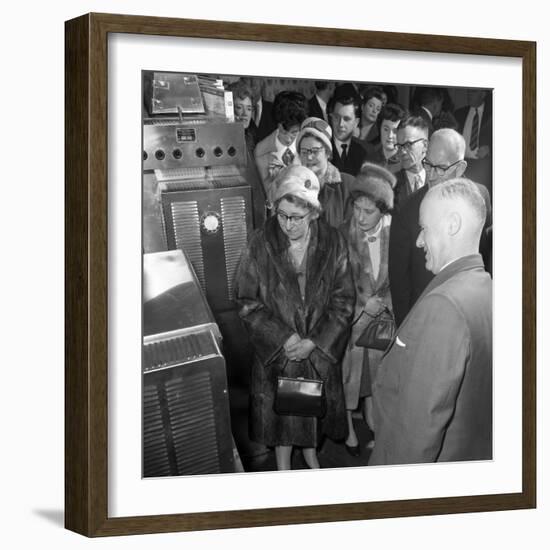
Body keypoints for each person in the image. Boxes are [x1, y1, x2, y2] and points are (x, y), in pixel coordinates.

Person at [234, 165, 355, 470]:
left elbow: (343, 301)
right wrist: (284, 338)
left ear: (313, 213)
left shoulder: (333, 242)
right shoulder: (259, 243)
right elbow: (247, 302)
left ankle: (311, 454)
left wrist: (315, 342)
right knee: (283, 419)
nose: (287, 225)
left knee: (312, 412)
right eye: (282, 215)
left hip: (316, 353)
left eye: (296, 217)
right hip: (279, 354)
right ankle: (283, 466)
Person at [369, 178, 492, 465]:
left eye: (424, 228)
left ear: (452, 225)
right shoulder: (486, 287)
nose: (418, 241)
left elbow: (416, 432)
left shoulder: (444, 307)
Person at [388, 128, 492, 326]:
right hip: (426, 318)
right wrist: (406, 332)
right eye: (427, 165)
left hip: (471, 314)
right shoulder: (407, 210)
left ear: (460, 168)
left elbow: (485, 258)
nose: (432, 176)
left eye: (441, 168)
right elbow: (399, 281)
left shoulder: (480, 197)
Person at [339, 163, 396, 456]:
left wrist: (382, 304)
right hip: (351, 325)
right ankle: (349, 430)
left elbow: (399, 280)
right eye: (356, 208)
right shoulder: (342, 235)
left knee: (377, 378)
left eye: (368, 211)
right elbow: (336, 286)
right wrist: (363, 305)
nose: (359, 217)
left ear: (383, 210)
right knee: (349, 379)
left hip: (383, 324)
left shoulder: (395, 234)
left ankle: (375, 424)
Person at [296, 117, 354, 227]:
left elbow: (353, 232)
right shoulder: (293, 187)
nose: (309, 157)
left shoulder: (347, 185)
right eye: (304, 152)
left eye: (315, 151)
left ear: (327, 152)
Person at [254, 90, 308, 197]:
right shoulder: (261, 151)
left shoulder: (309, 145)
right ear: (277, 124)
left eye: (294, 133)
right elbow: (267, 197)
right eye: (283, 132)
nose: (288, 139)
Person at [392, 116, 429, 208]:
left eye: (408, 145)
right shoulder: (391, 184)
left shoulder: (437, 182)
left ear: (425, 145)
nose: (402, 152)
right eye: (399, 146)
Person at [327, 94, 367, 176]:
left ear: (356, 122)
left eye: (346, 119)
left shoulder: (363, 153)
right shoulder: (322, 148)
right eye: (336, 117)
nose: (341, 124)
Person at [364, 103, 407, 174]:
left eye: (395, 131)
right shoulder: (369, 159)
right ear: (379, 128)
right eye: (386, 129)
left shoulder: (406, 162)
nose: (390, 136)